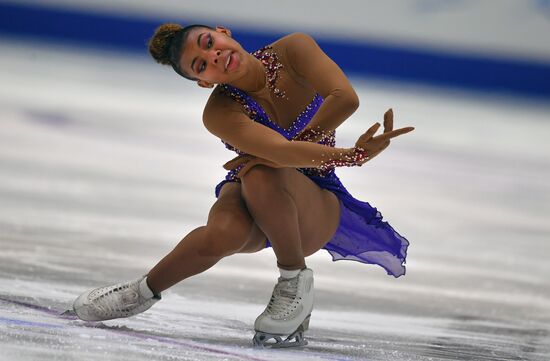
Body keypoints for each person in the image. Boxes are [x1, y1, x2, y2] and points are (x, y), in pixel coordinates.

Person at [70, 23, 414, 348]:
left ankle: (293, 279)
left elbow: (344, 98)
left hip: (315, 197)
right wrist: (342, 155)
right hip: (252, 187)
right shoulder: (219, 112)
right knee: (225, 231)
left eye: (209, 44)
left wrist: (281, 155)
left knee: (260, 171)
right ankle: (140, 293)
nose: (214, 57)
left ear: (223, 32)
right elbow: (280, 152)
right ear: (204, 82)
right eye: (201, 65)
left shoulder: (294, 49)